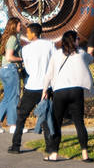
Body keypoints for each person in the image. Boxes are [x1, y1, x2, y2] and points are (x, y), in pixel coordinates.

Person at [41, 28, 94, 160]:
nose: (79, 41)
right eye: (77, 39)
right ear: (74, 40)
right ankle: (85, 154)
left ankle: (53, 154)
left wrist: (44, 91)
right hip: (76, 91)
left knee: (57, 122)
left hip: (60, 91)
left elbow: (48, 74)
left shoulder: (56, 55)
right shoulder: (81, 53)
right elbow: (91, 59)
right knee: (79, 122)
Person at [8, 22, 58, 151]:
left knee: (21, 116)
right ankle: (50, 146)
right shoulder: (50, 45)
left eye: (28, 32)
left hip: (32, 86)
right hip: (46, 86)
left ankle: (16, 145)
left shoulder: (26, 49)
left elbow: (28, 70)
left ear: (33, 33)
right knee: (46, 116)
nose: (27, 34)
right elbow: (55, 63)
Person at [0, 24, 20, 135]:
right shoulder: (12, 38)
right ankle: (13, 125)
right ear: (14, 26)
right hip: (11, 69)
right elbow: (9, 57)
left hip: (4, 69)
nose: (20, 27)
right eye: (19, 25)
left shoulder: (6, 38)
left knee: (7, 98)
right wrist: (21, 59)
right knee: (14, 97)